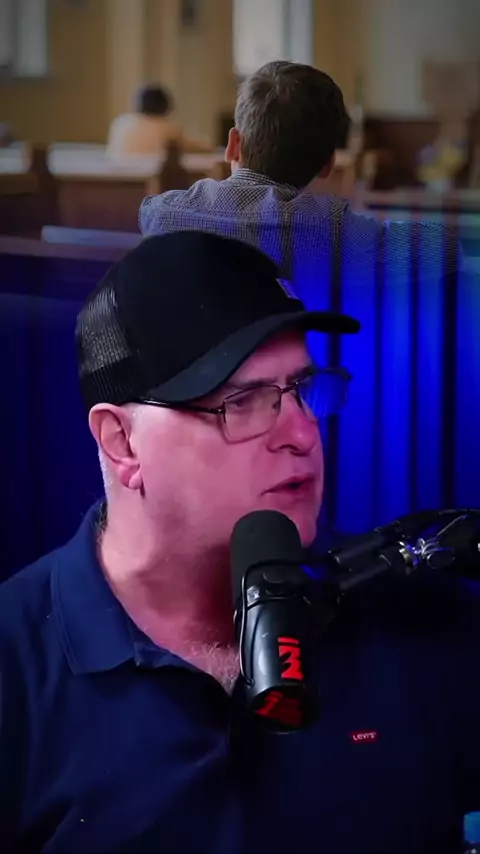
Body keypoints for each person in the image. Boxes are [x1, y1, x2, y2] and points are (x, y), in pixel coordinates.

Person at [0, 231, 479, 854]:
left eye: (302, 389)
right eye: (242, 402)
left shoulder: (422, 623)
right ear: (123, 443)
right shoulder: (14, 667)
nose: (302, 433)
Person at [139, 61, 463, 303]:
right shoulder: (330, 230)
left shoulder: (161, 214)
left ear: (234, 144)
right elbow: (445, 248)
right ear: (328, 164)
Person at [107, 82, 210, 158]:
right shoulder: (168, 128)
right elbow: (200, 147)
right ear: (165, 105)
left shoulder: (121, 123)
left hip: (118, 177)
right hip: (153, 178)